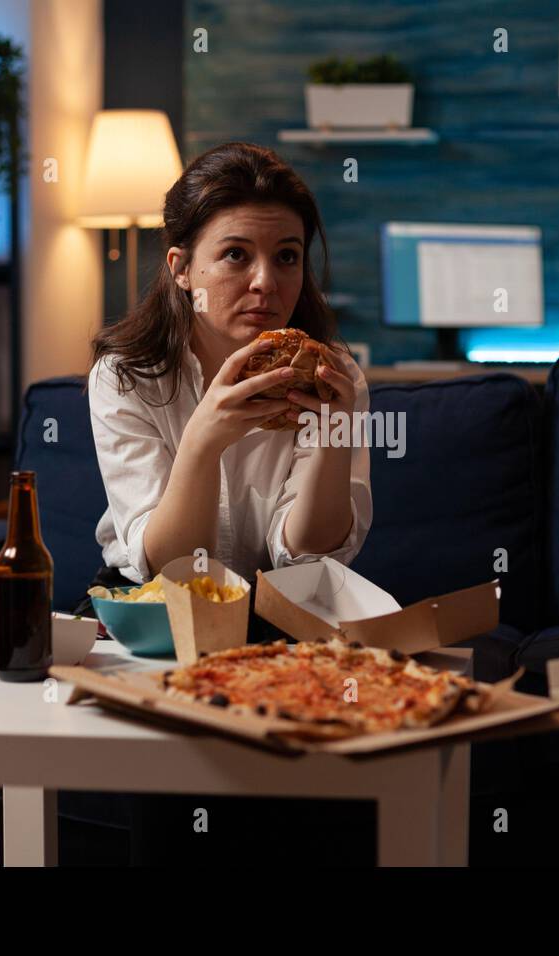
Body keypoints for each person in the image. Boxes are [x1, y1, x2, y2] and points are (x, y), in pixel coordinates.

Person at [79, 141, 376, 864]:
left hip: (283, 612)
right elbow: (165, 562)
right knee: (181, 765)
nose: (265, 282)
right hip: (157, 612)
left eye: (287, 256)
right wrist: (205, 437)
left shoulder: (334, 376)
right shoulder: (127, 378)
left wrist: (334, 431)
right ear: (182, 270)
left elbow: (303, 554)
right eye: (235, 255)